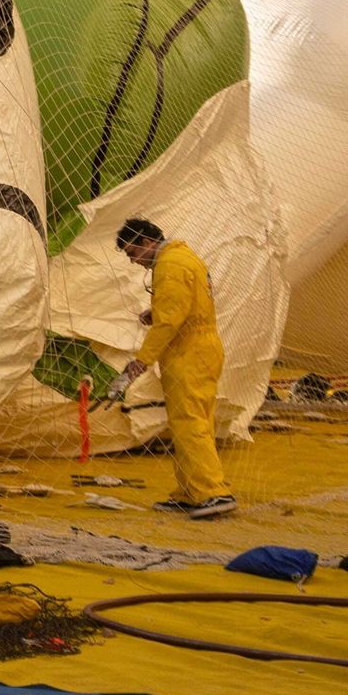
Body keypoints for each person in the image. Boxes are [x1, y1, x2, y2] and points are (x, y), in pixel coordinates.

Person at [116, 219, 233, 520]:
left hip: (189, 352)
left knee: (190, 423)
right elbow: (183, 304)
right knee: (192, 421)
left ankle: (212, 492)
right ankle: (191, 491)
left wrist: (141, 361)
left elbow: (170, 322)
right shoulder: (183, 256)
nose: (133, 261)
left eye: (132, 253)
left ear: (145, 242)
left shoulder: (170, 265)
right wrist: (156, 311)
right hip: (200, 349)